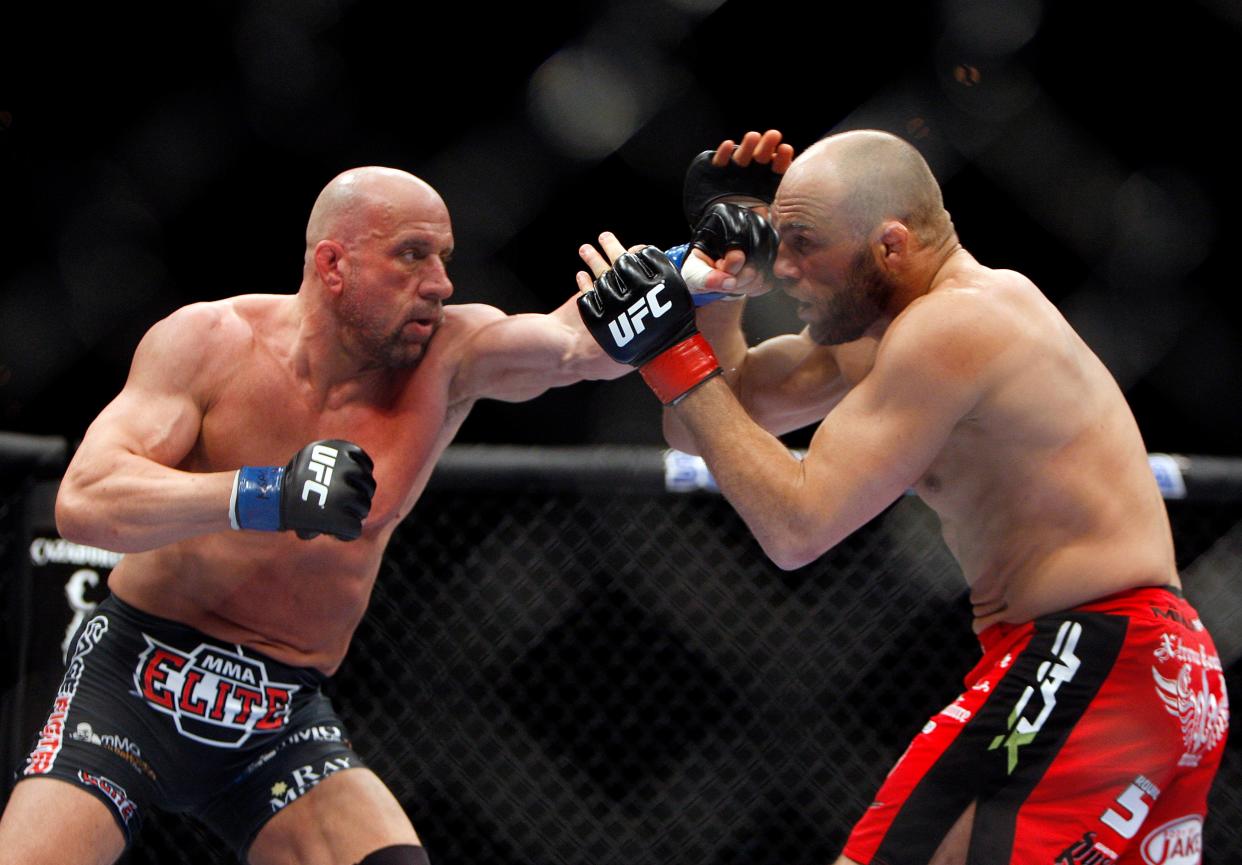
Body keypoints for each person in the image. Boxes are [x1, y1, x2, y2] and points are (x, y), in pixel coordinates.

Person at [576, 130, 1229, 864]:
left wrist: (668, 351)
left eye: (800, 244)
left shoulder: (955, 324)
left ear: (889, 246)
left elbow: (795, 526)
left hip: (1090, 656)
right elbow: (716, 424)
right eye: (774, 240)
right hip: (1149, 666)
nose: (782, 268)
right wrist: (721, 281)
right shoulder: (888, 330)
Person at [0, 166, 631, 865]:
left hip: (277, 718)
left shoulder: (449, 356)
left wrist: (699, 271)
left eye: (445, 258)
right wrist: (267, 494)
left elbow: (576, 347)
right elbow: (84, 501)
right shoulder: (210, 340)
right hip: (133, 683)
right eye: (414, 254)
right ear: (335, 263)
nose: (441, 283)